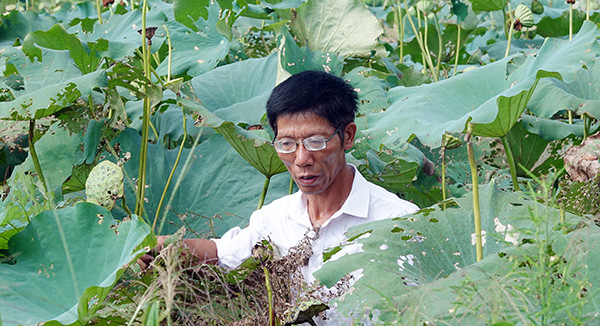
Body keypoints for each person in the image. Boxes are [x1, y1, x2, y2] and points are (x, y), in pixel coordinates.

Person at [138, 70, 418, 320]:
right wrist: (157, 246)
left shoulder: (400, 223)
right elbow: (221, 253)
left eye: (316, 142)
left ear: (348, 136)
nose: (301, 159)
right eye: (286, 144)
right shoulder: (273, 219)